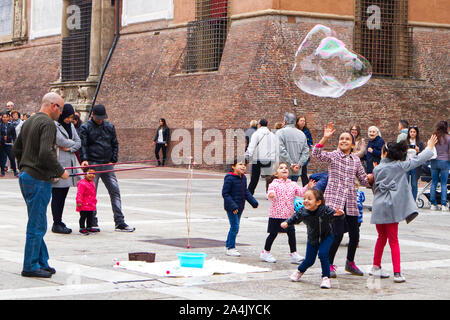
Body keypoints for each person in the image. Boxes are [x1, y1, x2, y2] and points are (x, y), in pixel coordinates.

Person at [13, 92, 70, 278]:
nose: (61, 113)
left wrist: (25, 165)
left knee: (38, 221)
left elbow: (16, 149)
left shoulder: (29, 121)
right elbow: (46, 153)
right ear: (54, 106)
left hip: (27, 177)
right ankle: (30, 265)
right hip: (38, 179)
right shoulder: (47, 124)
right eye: (61, 109)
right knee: (37, 224)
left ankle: (41, 262)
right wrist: (60, 172)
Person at [370, 135, 437, 282]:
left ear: (385, 153)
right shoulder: (399, 166)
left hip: (378, 206)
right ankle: (397, 273)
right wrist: (429, 147)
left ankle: (375, 267)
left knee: (381, 238)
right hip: (391, 207)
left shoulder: (377, 169)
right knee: (393, 240)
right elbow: (417, 160)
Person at [312, 123, 373, 278]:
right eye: (341, 139)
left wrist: (374, 177)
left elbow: (363, 179)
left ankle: (350, 262)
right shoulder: (333, 156)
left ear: (353, 144)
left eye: (347, 139)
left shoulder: (356, 160)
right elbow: (316, 153)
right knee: (337, 234)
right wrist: (325, 137)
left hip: (351, 200)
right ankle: (329, 264)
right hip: (335, 201)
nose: (344, 141)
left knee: (355, 234)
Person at [79, 104, 135, 232]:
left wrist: (113, 159)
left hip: (107, 163)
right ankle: (92, 221)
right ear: (92, 115)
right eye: (98, 117)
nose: (100, 120)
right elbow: (83, 145)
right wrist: (85, 160)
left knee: (115, 191)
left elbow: (115, 143)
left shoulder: (109, 126)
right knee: (91, 193)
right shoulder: (85, 127)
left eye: (102, 118)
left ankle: (119, 221)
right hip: (93, 164)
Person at [282, 189, 344, 289]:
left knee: (323, 254)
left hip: (326, 237)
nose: (306, 201)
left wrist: (340, 215)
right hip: (312, 238)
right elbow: (295, 217)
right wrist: (287, 222)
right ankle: (299, 271)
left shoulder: (324, 210)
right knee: (309, 260)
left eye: (309, 199)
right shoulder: (303, 211)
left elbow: (335, 216)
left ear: (318, 202)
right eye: (305, 198)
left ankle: (326, 278)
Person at [261, 162, 315, 264]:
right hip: (276, 214)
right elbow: (270, 192)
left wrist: (308, 186)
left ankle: (294, 254)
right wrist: (271, 194)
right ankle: (265, 252)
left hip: (289, 215)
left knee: (291, 233)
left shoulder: (292, 184)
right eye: (281, 168)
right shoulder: (274, 184)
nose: (284, 169)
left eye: (286, 168)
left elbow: (301, 193)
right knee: (273, 234)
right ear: (276, 173)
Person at [51, 104, 82, 234]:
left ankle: (59, 220)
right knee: (57, 195)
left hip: (69, 164)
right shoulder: (55, 125)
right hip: (59, 163)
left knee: (63, 194)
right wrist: (72, 143)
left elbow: (78, 142)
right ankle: (56, 222)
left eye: (71, 117)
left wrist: (70, 147)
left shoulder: (71, 126)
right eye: (68, 117)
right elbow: (60, 141)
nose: (70, 120)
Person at [222, 160, 258, 256]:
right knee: (235, 227)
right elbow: (225, 193)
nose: (243, 167)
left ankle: (228, 244)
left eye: (244, 165)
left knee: (234, 227)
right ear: (233, 166)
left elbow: (245, 192)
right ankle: (231, 247)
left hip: (240, 207)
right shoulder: (229, 178)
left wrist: (253, 202)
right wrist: (233, 206)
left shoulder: (243, 178)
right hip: (232, 207)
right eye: (240, 164)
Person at [245, 118, 278, 195]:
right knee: (269, 178)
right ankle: (269, 193)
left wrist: (248, 156)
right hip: (268, 158)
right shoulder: (272, 135)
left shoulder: (256, 134)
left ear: (259, 125)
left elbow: (251, 146)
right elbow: (275, 148)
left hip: (257, 158)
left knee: (254, 178)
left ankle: (250, 193)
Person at [276, 112, 310, 182]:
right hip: (296, 170)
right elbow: (306, 152)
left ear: (285, 121)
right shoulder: (302, 134)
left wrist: (291, 164)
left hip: (284, 169)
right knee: (292, 190)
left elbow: (281, 151)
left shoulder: (280, 133)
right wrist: (299, 164)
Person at [430, 121, 450, 211]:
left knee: (434, 182)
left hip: (434, 161)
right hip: (445, 161)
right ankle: (443, 204)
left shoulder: (434, 137)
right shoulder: (448, 138)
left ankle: (433, 204)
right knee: (443, 183)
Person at [405, 126, 425, 201]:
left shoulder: (420, 143)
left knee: (414, 183)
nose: (412, 133)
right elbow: (401, 153)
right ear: (409, 133)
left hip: (415, 165)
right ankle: (406, 200)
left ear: (416, 133)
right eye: (411, 132)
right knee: (405, 183)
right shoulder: (405, 142)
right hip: (407, 163)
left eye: (414, 132)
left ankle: (413, 200)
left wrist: (418, 151)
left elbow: (423, 155)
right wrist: (405, 150)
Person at [76, 168, 98, 235]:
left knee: (90, 216)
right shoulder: (82, 183)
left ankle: (89, 227)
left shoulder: (92, 183)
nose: (91, 175)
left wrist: (94, 201)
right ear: (84, 174)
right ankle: (82, 228)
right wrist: (79, 201)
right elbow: (80, 193)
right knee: (83, 216)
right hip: (83, 204)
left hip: (91, 204)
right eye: (89, 173)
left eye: (93, 174)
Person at [296, 115, 314, 187]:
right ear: (297, 122)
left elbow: (310, 142)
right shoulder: (295, 131)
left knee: (303, 173)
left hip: (304, 154)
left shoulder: (307, 132)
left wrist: (308, 145)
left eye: (304, 121)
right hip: (296, 154)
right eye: (301, 121)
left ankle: (306, 189)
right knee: (295, 174)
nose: (303, 122)